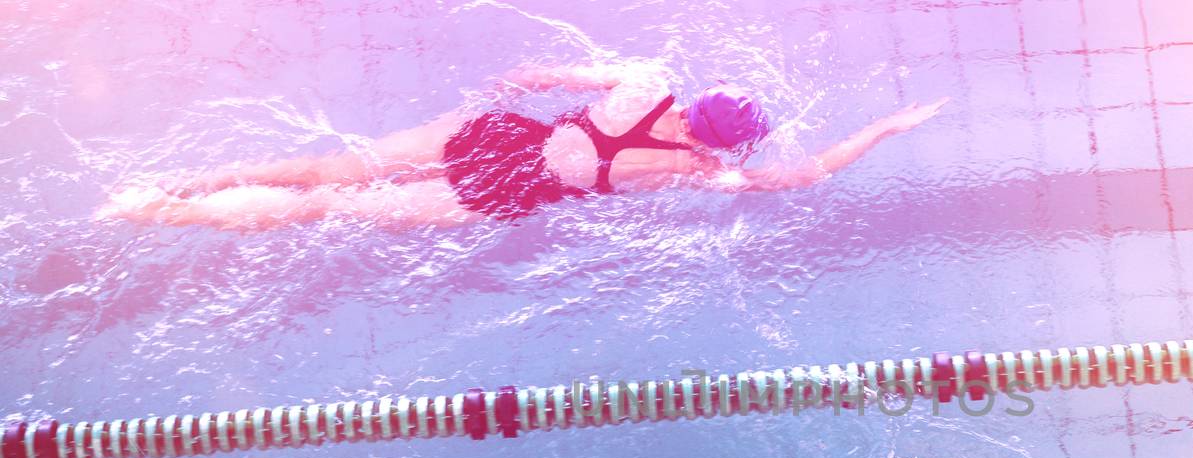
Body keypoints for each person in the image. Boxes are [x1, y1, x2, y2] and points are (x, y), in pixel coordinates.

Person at [99, 61, 949, 230]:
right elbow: (795, 178)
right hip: (499, 194)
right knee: (325, 208)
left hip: (492, 137)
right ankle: (162, 219)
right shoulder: (695, 169)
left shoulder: (644, 82)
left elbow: (533, 74)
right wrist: (878, 131)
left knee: (328, 170)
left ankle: (167, 186)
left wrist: (517, 85)